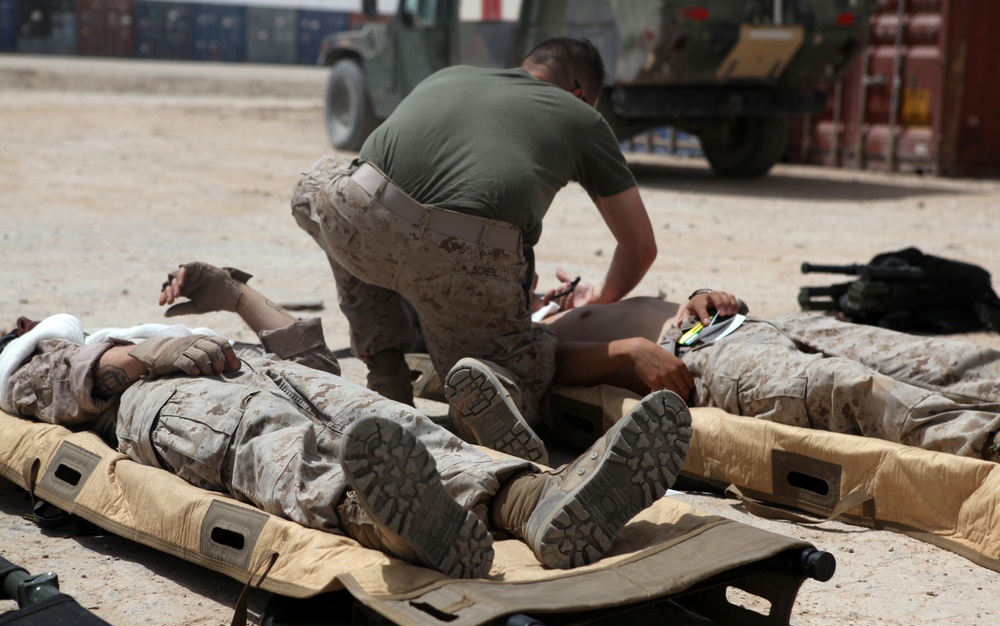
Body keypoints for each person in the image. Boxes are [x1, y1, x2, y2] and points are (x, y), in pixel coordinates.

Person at [0, 262, 692, 578]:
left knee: (387, 422)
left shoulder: (114, 327)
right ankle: (390, 519)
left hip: (252, 364)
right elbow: (77, 388)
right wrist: (151, 354)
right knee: (275, 448)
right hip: (163, 401)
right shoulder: (27, 357)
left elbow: (307, 354)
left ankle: (536, 502)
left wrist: (235, 295)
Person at [291, 37, 659, 467]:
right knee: (521, 368)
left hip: (362, 220)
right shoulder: (583, 118)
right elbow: (639, 248)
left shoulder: (451, 75)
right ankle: (487, 392)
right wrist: (599, 300)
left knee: (316, 187)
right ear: (580, 92)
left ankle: (385, 370)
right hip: (461, 262)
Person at [534, 276, 1000, 461]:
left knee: (928, 356)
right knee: (847, 388)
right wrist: (628, 351)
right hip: (705, 357)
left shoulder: (578, 303)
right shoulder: (526, 331)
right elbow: (548, 364)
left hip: (750, 325)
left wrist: (703, 295)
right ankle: (988, 440)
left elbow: (674, 304)